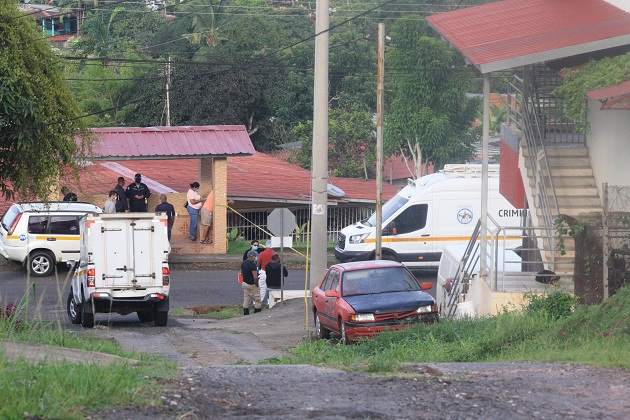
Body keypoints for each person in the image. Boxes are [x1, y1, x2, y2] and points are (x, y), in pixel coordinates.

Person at [241, 250, 261, 315]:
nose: (255, 258)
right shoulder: (253, 264)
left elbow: (242, 273)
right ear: (252, 256)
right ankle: (257, 313)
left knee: (246, 298)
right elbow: (255, 277)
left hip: (244, 283)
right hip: (252, 284)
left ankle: (246, 313)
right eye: (255, 256)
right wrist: (257, 284)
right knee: (257, 299)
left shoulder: (243, 263)